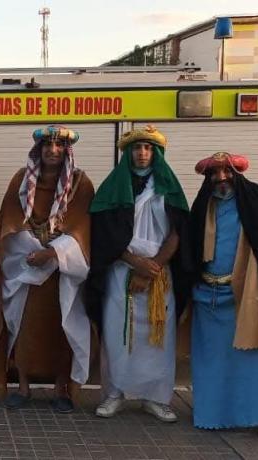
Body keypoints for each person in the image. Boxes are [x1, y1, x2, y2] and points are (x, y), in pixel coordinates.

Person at [189, 151, 258, 440]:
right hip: (208, 298)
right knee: (211, 361)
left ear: (236, 175)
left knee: (253, 360)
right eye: (215, 173)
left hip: (247, 299)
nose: (221, 178)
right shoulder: (203, 206)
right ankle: (212, 414)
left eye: (226, 172)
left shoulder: (257, 202)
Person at [0, 125, 95, 413]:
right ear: (39, 149)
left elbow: (82, 226)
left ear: (67, 151)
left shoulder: (81, 183)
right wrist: (32, 250)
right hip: (27, 270)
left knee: (63, 329)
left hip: (62, 272)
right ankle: (22, 387)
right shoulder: (21, 181)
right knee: (22, 329)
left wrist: (54, 253)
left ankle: (61, 389)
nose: (53, 150)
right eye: (48, 145)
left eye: (60, 146)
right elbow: (10, 221)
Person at [88, 125, 192, 422]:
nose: (142, 153)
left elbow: (178, 231)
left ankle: (156, 398)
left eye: (148, 148)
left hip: (161, 274)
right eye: (137, 148)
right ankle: (113, 394)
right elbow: (104, 235)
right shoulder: (112, 188)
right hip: (121, 272)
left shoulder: (169, 188)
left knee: (158, 338)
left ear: (156, 153)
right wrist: (135, 262)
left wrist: (153, 266)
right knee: (118, 334)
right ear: (128, 153)